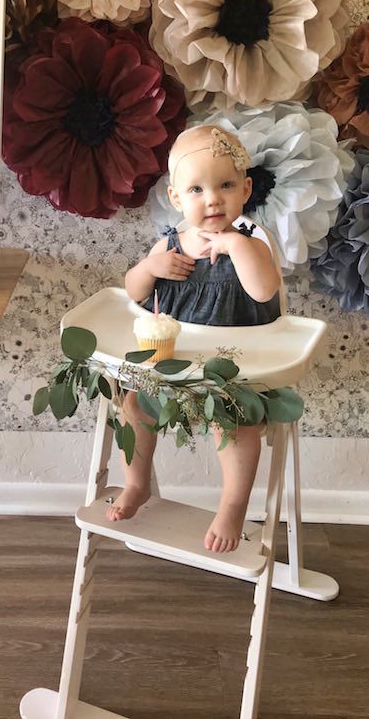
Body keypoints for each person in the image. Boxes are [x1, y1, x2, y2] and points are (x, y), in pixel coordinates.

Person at [106, 125, 282, 553]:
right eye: (197, 189)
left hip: (231, 370)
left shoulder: (253, 244)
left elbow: (263, 290)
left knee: (238, 427)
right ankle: (136, 483)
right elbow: (133, 292)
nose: (213, 199)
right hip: (172, 368)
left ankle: (233, 504)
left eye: (225, 186)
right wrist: (150, 270)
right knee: (132, 406)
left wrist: (235, 246)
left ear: (246, 189)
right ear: (177, 198)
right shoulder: (167, 247)